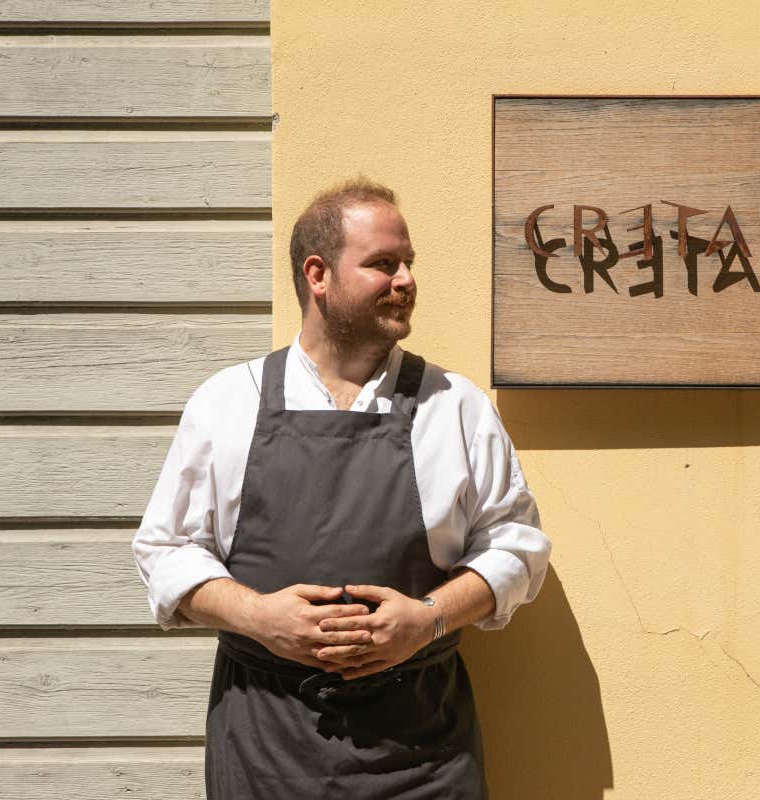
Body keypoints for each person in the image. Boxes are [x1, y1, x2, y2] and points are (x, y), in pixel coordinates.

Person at [131, 177, 551, 799]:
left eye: (408, 263)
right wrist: (261, 617)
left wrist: (427, 620)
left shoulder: (455, 407)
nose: (406, 279)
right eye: (383, 263)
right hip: (265, 746)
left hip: (423, 750)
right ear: (318, 274)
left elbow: (516, 548)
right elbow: (166, 552)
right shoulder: (228, 402)